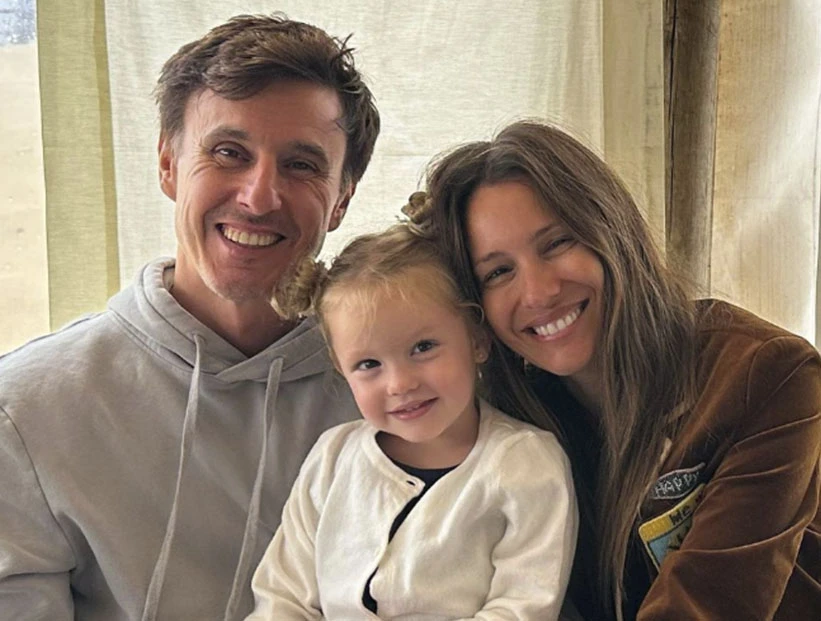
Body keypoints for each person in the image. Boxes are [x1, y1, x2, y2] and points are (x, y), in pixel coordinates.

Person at [0, 13, 379, 621]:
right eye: (229, 153)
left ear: (342, 200)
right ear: (168, 164)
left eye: (302, 165)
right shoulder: (25, 411)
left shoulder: (405, 395)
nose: (259, 196)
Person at [418, 120, 821, 620]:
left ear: (612, 229)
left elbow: (706, 606)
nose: (539, 292)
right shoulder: (503, 423)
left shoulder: (767, 375)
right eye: (499, 272)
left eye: (557, 243)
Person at [244, 224, 578, 619]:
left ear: (476, 340)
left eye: (423, 347)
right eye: (369, 364)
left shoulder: (526, 464)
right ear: (340, 368)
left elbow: (523, 607)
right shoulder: (332, 457)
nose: (400, 384)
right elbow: (282, 596)